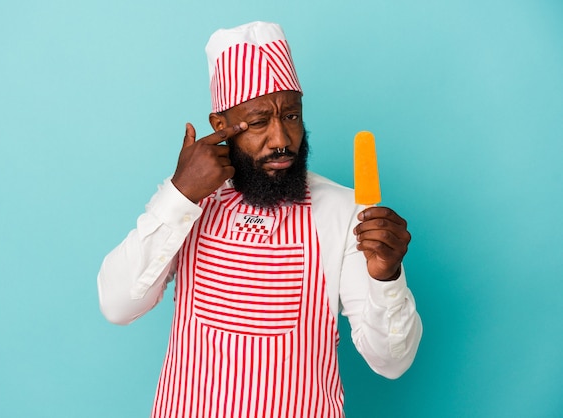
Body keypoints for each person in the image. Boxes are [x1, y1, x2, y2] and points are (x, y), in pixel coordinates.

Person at [97, 21, 422, 418]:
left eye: (291, 116)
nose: (281, 139)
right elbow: (117, 306)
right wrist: (180, 193)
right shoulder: (186, 201)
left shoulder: (344, 211)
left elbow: (391, 363)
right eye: (257, 122)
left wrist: (386, 277)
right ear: (221, 127)